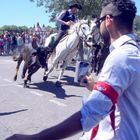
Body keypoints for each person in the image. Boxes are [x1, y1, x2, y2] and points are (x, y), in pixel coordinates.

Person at [6, 0, 140, 140]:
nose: (98, 26)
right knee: (56, 39)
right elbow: (124, 96)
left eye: (99, 21)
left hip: (117, 135)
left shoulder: (121, 56)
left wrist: (36, 138)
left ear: (107, 20)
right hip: (63, 31)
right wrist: (95, 86)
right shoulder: (130, 53)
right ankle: (47, 53)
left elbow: (93, 111)